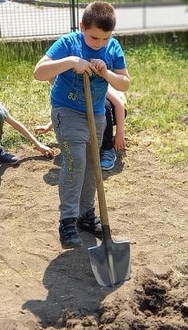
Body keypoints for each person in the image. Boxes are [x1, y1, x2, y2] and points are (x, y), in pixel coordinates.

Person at [33, 1, 130, 249]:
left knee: (92, 164)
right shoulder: (69, 43)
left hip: (95, 114)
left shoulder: (113, 48)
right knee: (75, 160)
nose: (99, 43)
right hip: (66, 111)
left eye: (105, 39)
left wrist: (106, 73)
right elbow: (39, 72)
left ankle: (86, 214)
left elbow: (124, 84)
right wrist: (71, 62)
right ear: (82, 26)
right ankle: (67, 219)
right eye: (94, 37)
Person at [35, 85, 127, 171]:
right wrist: (49, 126)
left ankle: (107, 148)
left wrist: (120, 134)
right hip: (88, 112)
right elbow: (66, 110)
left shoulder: (93, 82)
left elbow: (119, 105)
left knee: (103, 105)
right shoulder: (66, 87)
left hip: (115, 112)